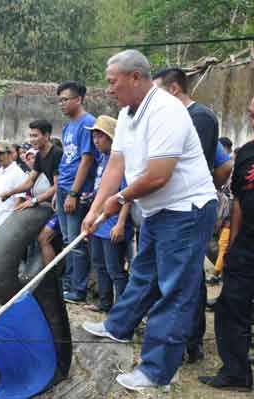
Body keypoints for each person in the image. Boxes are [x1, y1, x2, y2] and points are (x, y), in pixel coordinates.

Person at [81, 49, 217, 391]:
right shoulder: (128, 113)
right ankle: (119, 326)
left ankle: (158, 372)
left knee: (175, 290)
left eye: (113, 82)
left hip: (186, 210)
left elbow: (158, 175)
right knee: (144, 273)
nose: (109, 89)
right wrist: (94, 209)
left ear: (135, 78)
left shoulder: (166, 111)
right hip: (159, 210)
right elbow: (116, 166)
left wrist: (120, 199)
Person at [154, 67, 222, 363]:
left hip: (190, 207)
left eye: (156, 92)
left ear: (173, 90)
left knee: (188, 277)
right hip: (175, 207)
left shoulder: (200, 118)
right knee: (176, 275)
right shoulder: (174, 118)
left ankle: (189, 342)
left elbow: (202, 165)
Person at [198, 99, 254, 392]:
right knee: (231, 308)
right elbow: (240, 204)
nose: (253, 120)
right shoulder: (246, 154)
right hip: (246, 249)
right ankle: (236, 373)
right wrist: (230, 248)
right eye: (251, 115)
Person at [54, 81, 97, 303]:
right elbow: (67, 157)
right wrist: (59, 190)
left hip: (76, 190)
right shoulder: (67, 126)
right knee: (67, 239)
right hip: (63, 187)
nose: (61, 104)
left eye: (65, 99)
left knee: (76, 242)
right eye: (59, 100)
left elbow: (87, 160)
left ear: (78, 99)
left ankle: (79, 290)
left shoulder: (88, 123)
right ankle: (69, 282)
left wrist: (73, 193)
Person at [0, 120, 64, 269]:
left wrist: (34, 200)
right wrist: (10, 193)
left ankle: (56, 278)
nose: (32, 139)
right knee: (43, 239)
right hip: (55, 203)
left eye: (35, 135)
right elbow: (30, 181)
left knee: (47, 238)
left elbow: (57, 186)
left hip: (64, 203)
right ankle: (51, 277)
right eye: (30, 136)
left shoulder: (56, 154)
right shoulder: (40, 156)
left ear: (46, 136)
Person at [84, 116, 132, 313]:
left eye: (100, 137)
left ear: (112, 138)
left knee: (115, 269)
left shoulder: (121, 160)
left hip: (112, 222)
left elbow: (128, 195)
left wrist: (120, 223)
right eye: (94, 137)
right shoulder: (103, 159)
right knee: (99, 265)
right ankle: (104, 303)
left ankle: (121, 309)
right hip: (98, 222)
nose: (96, 141)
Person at [0, 141, 27, 246]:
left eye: (1, 153)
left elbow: (20, 199)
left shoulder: (18, 173)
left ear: (10, 153)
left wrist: (10, 223)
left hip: (5, 222)